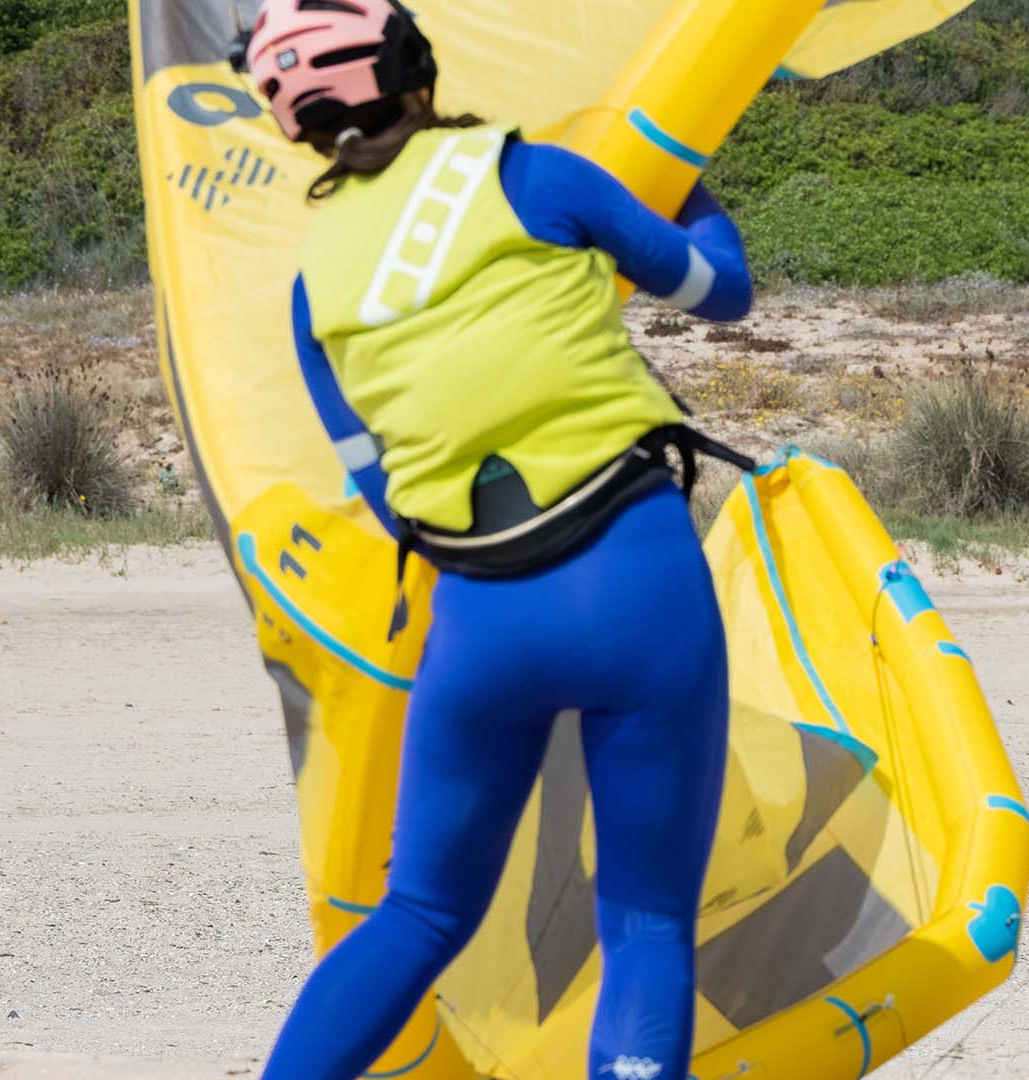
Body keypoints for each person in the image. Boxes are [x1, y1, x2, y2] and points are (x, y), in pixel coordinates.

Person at [234, 2, 751, 1077]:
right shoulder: (539, 176)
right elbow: (721, 293)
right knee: (647, 921)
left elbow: (382, 493)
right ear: (416, 71)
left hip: (477, 625)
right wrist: (677, 174)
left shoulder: (310, 288)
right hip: (633, 579)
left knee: (418, 912)